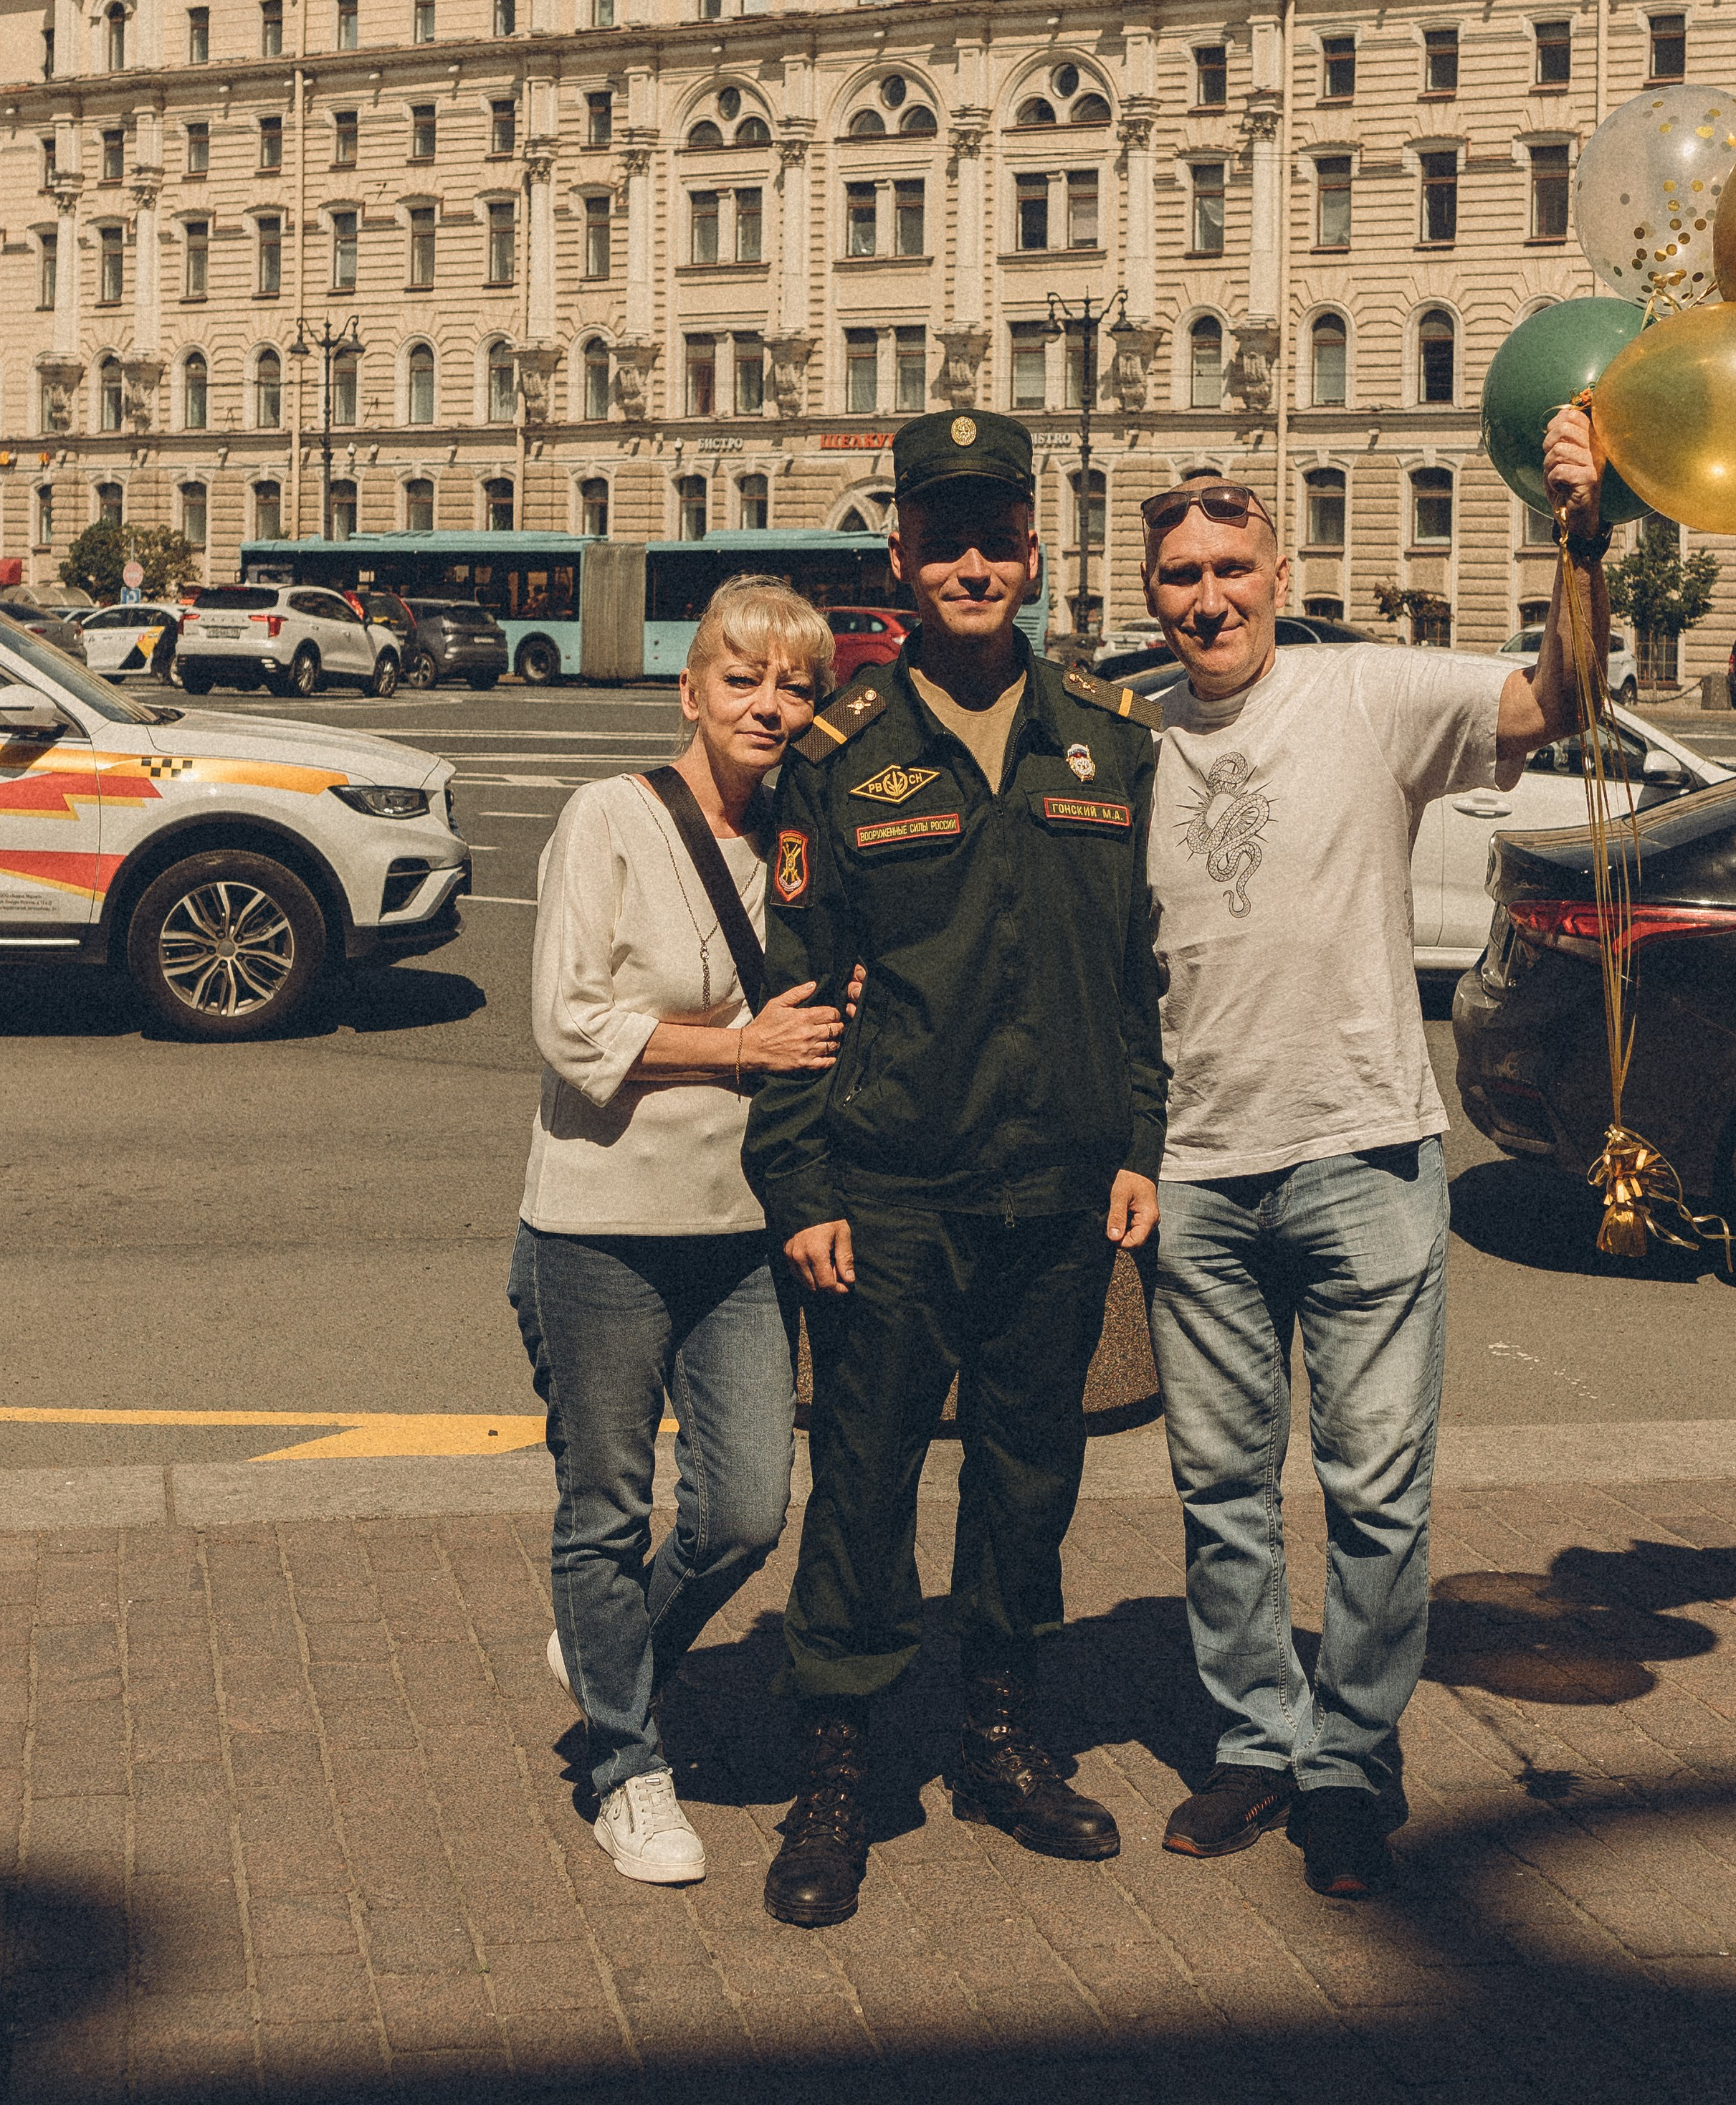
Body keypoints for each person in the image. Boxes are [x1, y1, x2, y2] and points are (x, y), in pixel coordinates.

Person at [1140, 408, 1609, 1900]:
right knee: (1218, 1489)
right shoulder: (1130, 738)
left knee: (1374, 1490)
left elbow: (1562, 699)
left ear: (1276, 573)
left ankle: (1348, 1757)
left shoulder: (1368, 694)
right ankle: (1252, 1744)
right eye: (1177, 576)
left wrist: (1578, 536)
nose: (1206, 597)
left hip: (1362, 1154)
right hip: (1197, 1173)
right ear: (1149, 593)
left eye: (1229, 566)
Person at [742, 409, 1166, 1929]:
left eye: (997, 534)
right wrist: (802, 1191)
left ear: (1033, 553)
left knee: (1025, 1478)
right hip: (891, 1192)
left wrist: (1137, 1145)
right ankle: (839, 1773)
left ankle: (999, 1740)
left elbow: (1133, 979)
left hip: (1054, 1190)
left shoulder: (1106, 738)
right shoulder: (844, 754)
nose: (972, 562)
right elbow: (797, 998)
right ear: (901, 554)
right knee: (858, 1488)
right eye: (944, 536)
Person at [509, 576, 844, 1884]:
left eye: (797, 685)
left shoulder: (805, 840)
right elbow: (569, 1024)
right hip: (599, 1221)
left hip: (742, 1222)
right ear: (691, 689)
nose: (772, 705)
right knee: (604, 1505)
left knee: (748, 1509)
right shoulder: (610, 817)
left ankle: (609, 1653)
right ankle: (624, 1768)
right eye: (746, 678)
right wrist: (742, 1046)